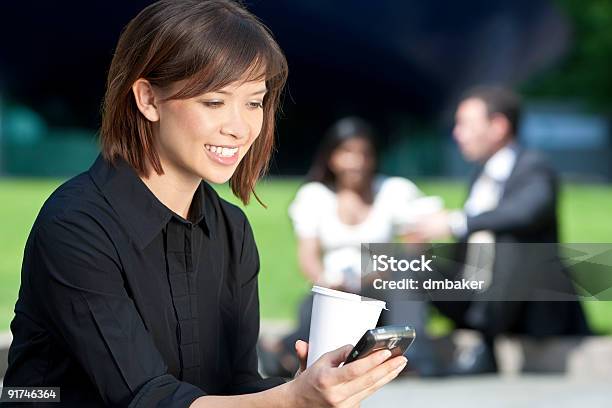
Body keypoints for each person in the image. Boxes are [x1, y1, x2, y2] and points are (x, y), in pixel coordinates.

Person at [1, 1, 408, 406]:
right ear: (147, 99)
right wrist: (294, 400)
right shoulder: (76, 226)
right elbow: (147, 399)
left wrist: (305, 386)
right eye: (214, 102)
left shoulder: (231, 229)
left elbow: (235, 386)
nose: (239, 127)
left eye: (254, 102)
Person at [410, 85, 590, 375]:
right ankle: (415, 354)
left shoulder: (535, 168)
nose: (457, 133)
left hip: (529, 306)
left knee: (509, 235)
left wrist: (456, 222)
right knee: (410, 263)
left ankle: (485, 340)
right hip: (476, 293)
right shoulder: (480, 176)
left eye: (466, 124)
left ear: (498, 126)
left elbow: (525, 213)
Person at [259, 117, 432, 377]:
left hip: (380, 286)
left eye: (364, 154)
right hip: (336, 287)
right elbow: (308, 256)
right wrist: (326, 281)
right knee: (318, 307)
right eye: (348, 153)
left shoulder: (391, 191)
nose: (357, 162)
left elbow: (415, 243)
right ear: (332, 157)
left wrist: (387, 269)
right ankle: (280, 350)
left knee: (405, 282)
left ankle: (415, 358)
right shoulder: (315, 196)